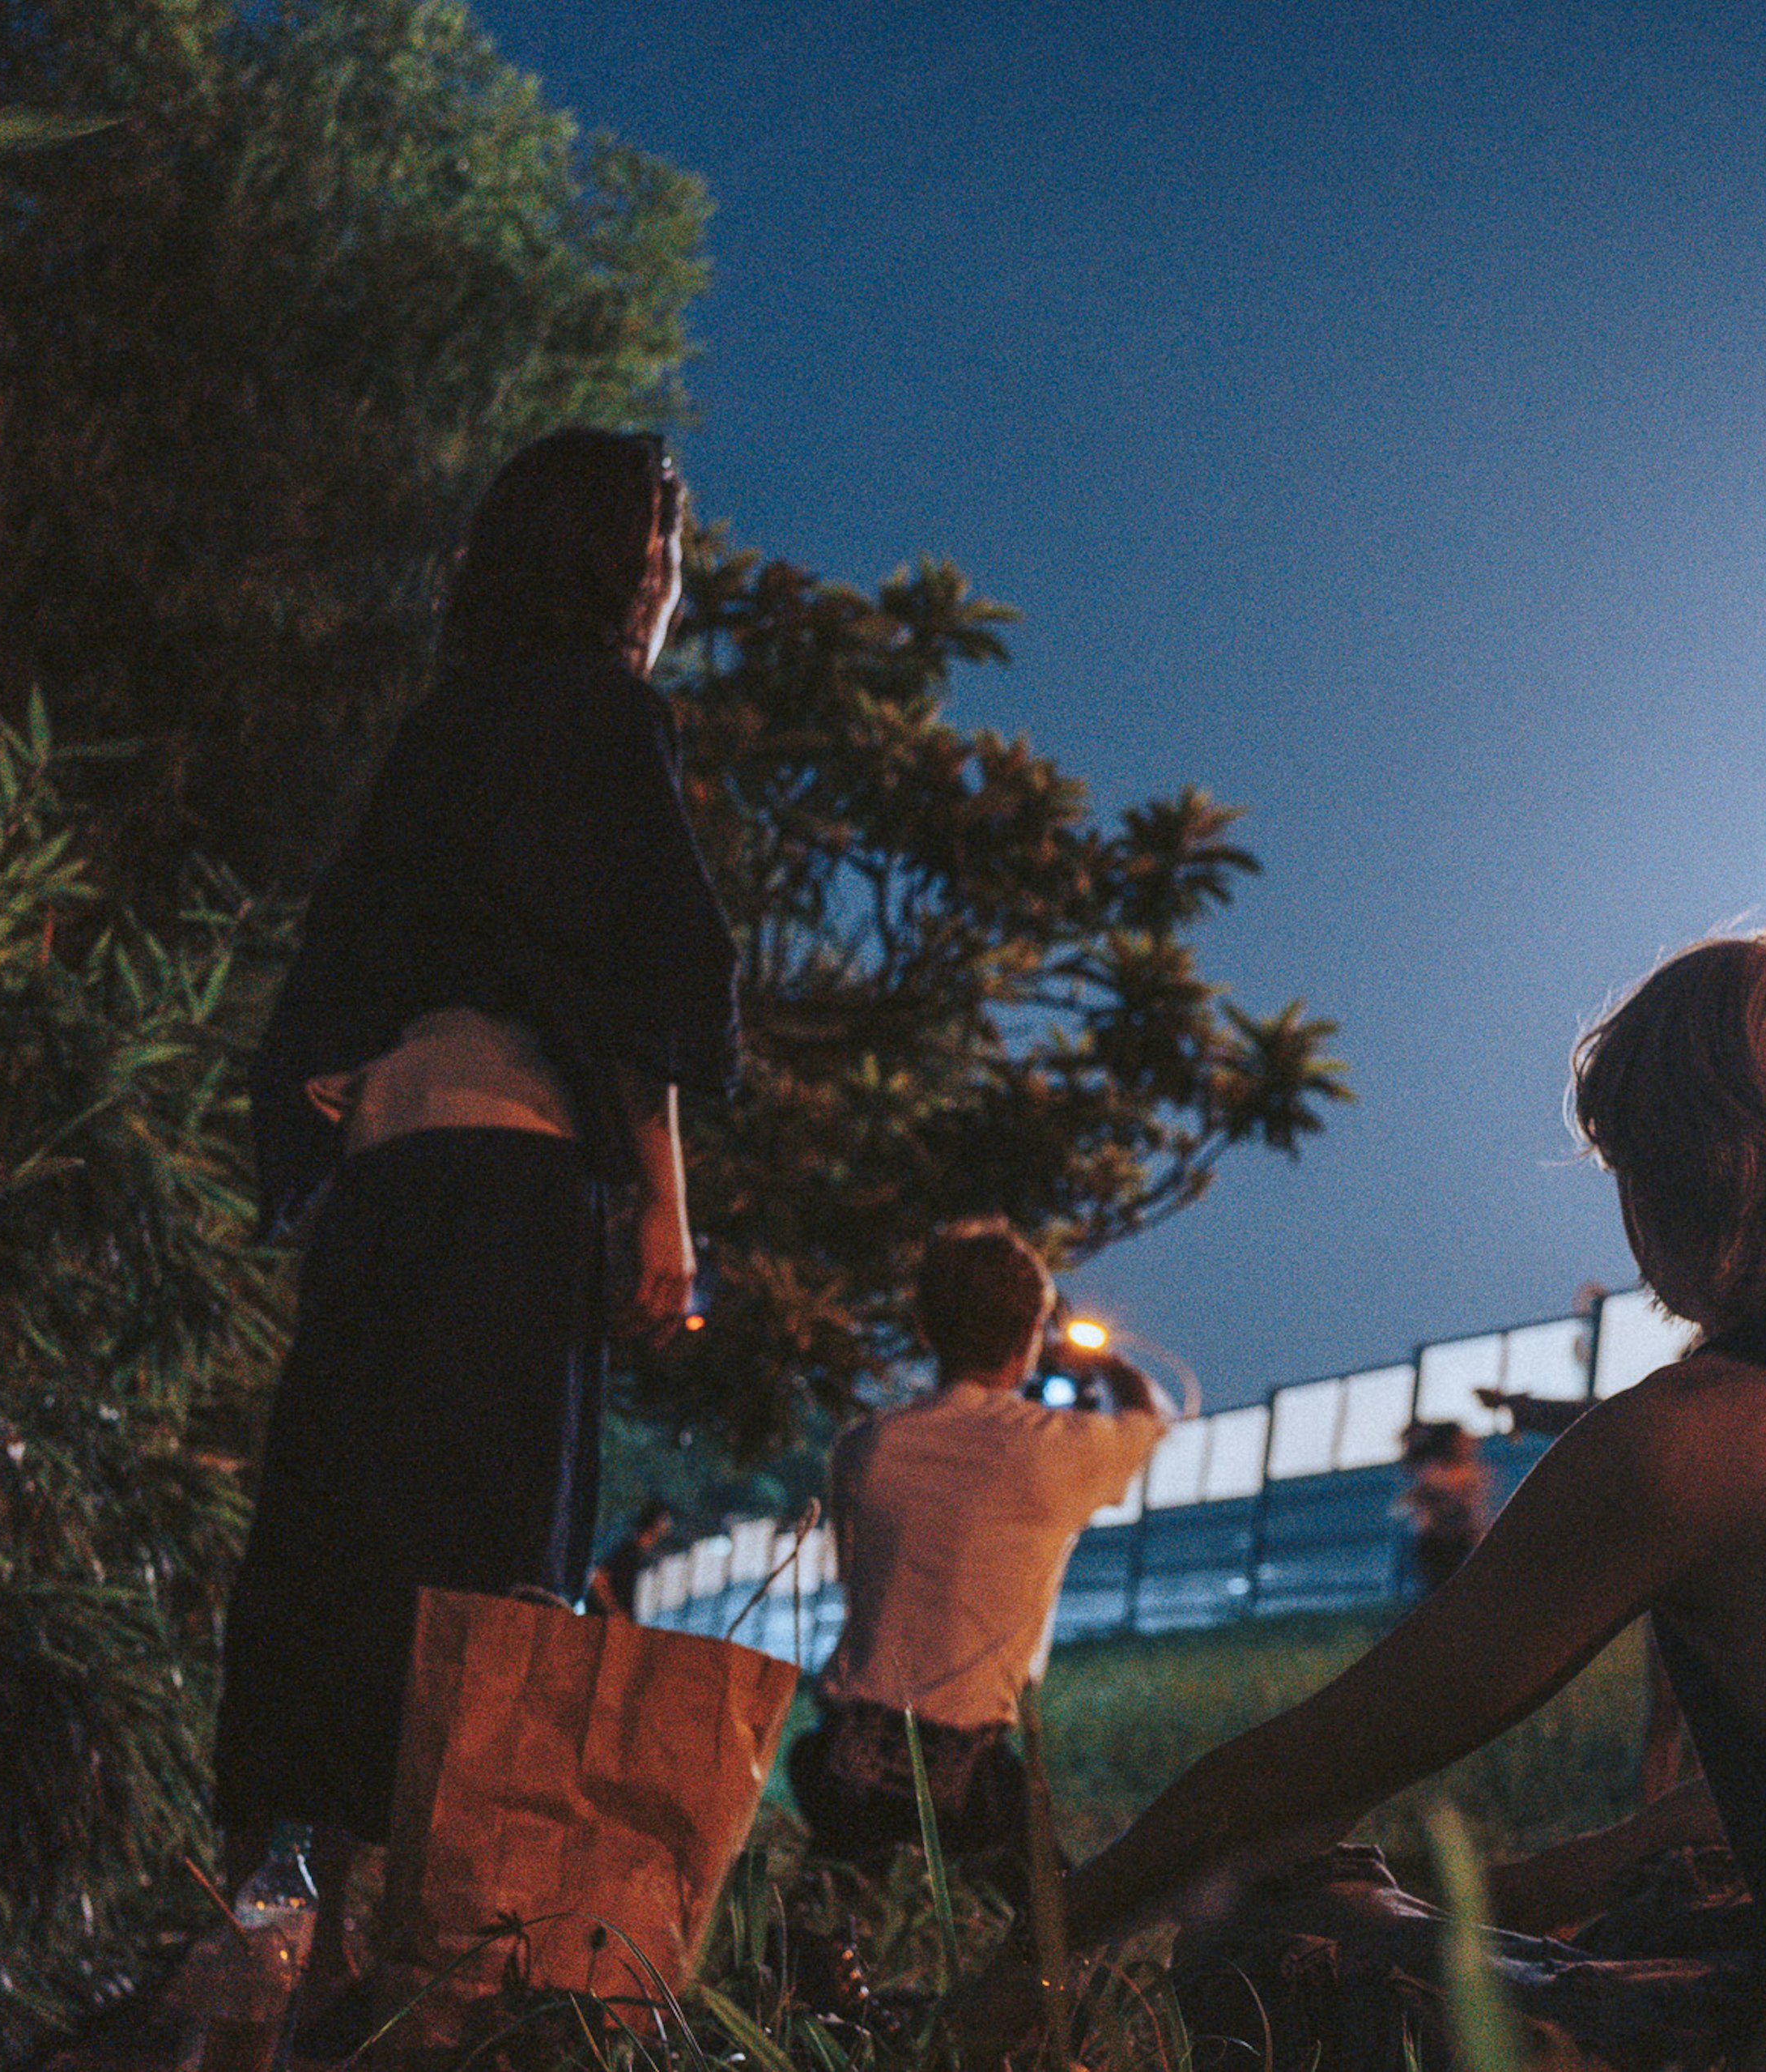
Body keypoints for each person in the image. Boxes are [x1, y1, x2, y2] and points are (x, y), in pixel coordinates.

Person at [970, 934, 1766, 2072]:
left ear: (1673, 1176)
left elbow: (1302, 1772)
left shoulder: (1702, 1433)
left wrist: (1010, 1978)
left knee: (1265, 1926)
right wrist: (1493, 1894)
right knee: (1662, 1892)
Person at [213, 428, 738, 2029]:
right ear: (610, 565)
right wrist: (665, 1215)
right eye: (657, 549)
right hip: (511, 1201)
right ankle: (438, 1992)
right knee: (491, 1592)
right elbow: (640, 986)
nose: (667, 581)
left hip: (381, 1202)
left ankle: (268, 1936)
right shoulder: (604, 719)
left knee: (328, 1547)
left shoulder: (443, 730)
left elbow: (332, 993)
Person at [789, 1219, 1169, 1886]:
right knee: (1064, 1923)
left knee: (832, 1910)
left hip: (841, 1760)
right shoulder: (1061, 1448)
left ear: (924, 1329)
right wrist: (1101, 1359)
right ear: (1032, 1334)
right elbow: (1153, 1414)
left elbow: (857, 1578)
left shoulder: (864, 1448)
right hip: (964, 1776)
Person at [1393, 1418, 1492, 1595]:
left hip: (1461, 1539)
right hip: (1437, 1543)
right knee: (1438, 1590)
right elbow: (1412, 1503)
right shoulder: (1437, 1471)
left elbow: (1475, 1509)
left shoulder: (1466, 1470)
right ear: (1451, 1443)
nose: (1470, 1444)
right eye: (1462, 1440)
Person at [589, 1500, 678, 1619]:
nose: (669, 1525)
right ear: (655, 1522)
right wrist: (615, 1612)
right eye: (665, 1520)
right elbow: (599, 1579)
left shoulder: (640, 1556)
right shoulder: (628, 1552)